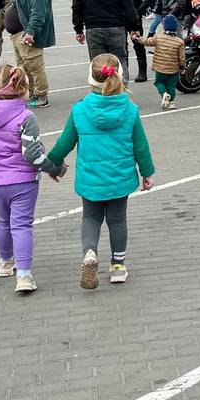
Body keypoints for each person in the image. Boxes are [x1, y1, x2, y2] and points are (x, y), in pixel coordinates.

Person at [46, 54, 155, 288]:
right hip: (120, 178)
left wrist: (52, 164)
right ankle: (117, 266)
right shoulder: (130, 110)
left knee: (90, 218)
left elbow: (64, 143)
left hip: (90, 178)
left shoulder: (80, 110)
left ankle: (90, 253)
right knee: (117, 221)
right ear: (120, 77)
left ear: (90, 80)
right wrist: (147, 172)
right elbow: (141, 146)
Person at [0, 63, 65, 294]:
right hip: (22, 180)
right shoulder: (25, 116)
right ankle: (23, 275)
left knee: (3, 221)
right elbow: (32, 154)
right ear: (21, 89)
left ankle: (5, 263)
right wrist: (55, 168)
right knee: (21, 225)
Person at [72, 0, 138, 84]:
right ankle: (121, 91)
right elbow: (128, 6)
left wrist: (78, 29)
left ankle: (100, 92)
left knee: (98, 62)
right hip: (116, 27)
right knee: (119, 60)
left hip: (93, 28)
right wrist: (134, 27)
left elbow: (77, 8)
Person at [13, 0, 55, 108]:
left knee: (35, 68)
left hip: (29, 35)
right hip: (19, 34)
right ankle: (29, 94)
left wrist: (30, 32)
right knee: (24, 68)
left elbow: (38, 13)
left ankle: (42, 97)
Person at [117, 0, 154, 83]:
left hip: (134, 17)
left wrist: (139, 10)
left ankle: (142, 73)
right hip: (119, 18)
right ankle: (124, 73)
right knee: (121, 46)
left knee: (137, 43)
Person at [139, 14, 186, 110]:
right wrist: (182, 67)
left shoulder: (158, 37)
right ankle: (172, 102)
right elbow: (182, 57)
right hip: (174, 69)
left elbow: (147, 42)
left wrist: (138, 38)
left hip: (160, 68)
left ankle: (164, 94)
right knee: (171, 85)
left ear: (164, 26)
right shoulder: (179, 42)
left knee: (159, 82)